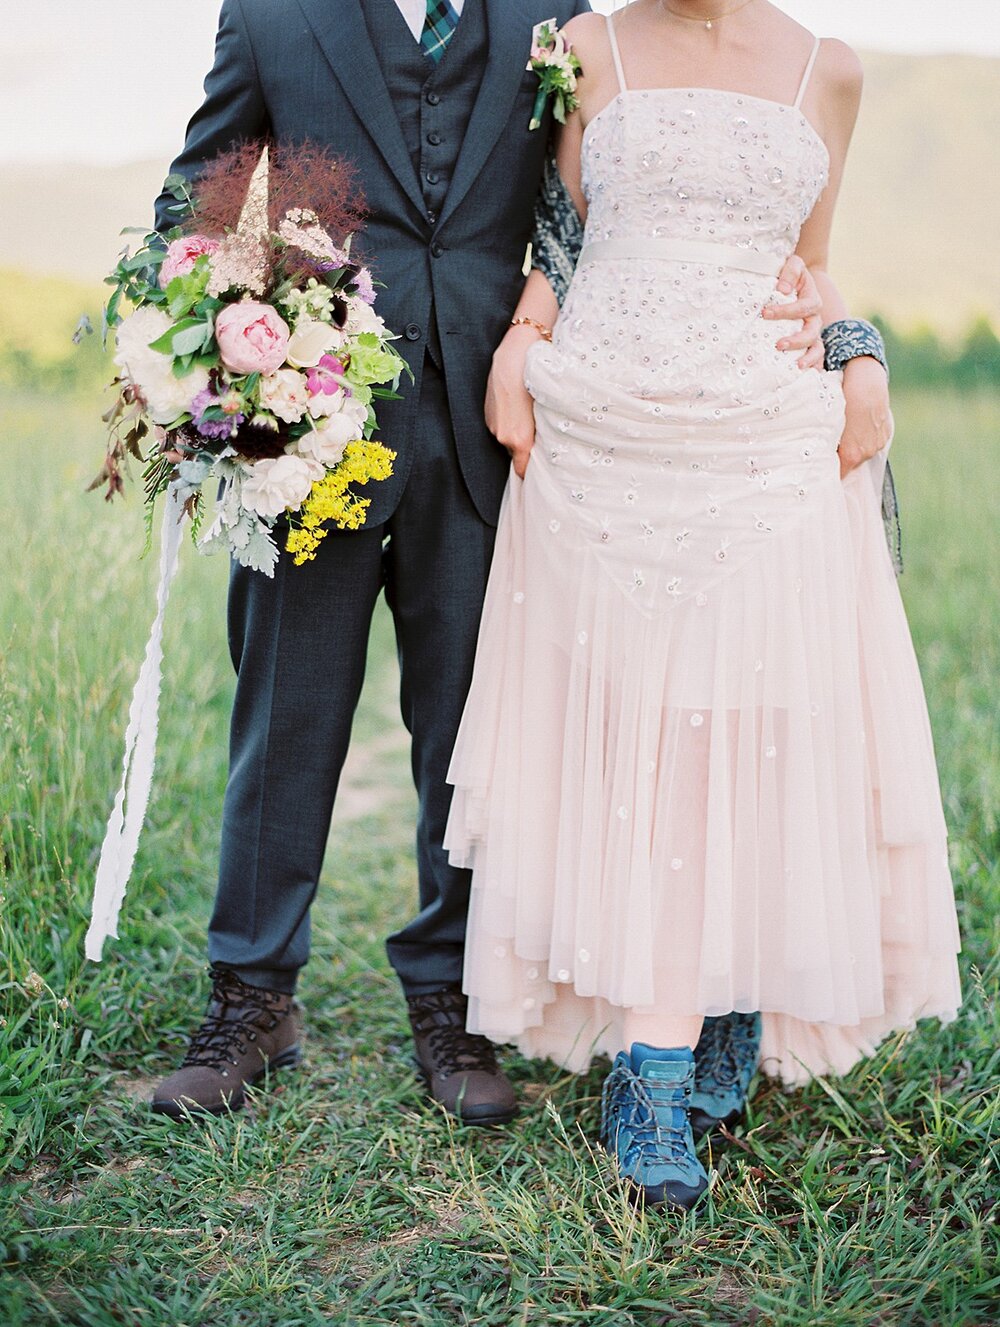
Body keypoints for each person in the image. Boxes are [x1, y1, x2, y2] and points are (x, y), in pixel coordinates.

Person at [148, 0, 864, 1128]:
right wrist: (210, 360)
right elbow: (199, 201)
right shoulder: (274, 15)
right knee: (282, 713)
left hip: (504, 427)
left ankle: (452, 1003)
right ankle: (251, 998)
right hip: (308, 426)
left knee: (467, 726)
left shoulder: (553, 21)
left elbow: (591, 217)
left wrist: (840, 337)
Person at [445, 0, 961, 1208]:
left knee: (748, 718)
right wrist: (523, 337)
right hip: (607, 431)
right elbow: (560, 234)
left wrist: (860, 350)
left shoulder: (829, 69)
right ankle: (654, 1059)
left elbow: (811, 264)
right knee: (645, 736)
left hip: (762, 429)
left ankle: (726, 984)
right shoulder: (583, 48)